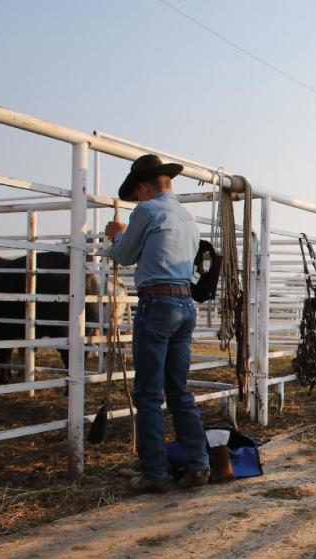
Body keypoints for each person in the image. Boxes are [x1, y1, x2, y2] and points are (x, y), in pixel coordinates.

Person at [106, 154, 210, 494]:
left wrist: (116, 236)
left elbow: (123, 255)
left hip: (157, 303)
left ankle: (155, 474)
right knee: (179, 389)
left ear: (142, 186)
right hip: (184, 302)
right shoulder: (186, 217)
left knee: (149, 394)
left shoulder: (147, 211)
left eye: (136, 194)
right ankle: (198, 465)